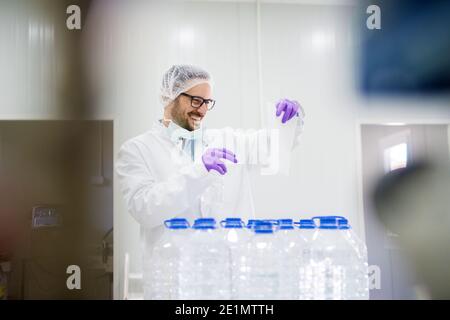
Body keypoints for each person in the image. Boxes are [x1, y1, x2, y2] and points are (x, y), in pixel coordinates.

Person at [115, 65, 305, 295]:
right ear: (170, 97)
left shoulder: (227, 140)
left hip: (230, 285)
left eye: (208, 102)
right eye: (196, 100)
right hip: (173, 286)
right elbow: (143, 208)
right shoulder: (137, 150)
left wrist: (289, 121)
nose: (203, 110)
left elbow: (273, 149)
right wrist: (199, 171)